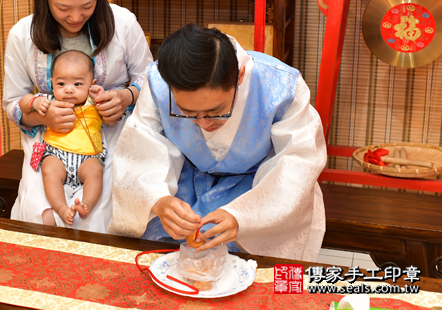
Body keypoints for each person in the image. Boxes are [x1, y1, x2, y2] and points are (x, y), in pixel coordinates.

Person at [108, 24, 327, 262]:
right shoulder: (159, 82)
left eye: (216, 111)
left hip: (257, 188)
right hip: (184, 183)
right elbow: (141, 147)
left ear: (240, 76)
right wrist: (157, 199)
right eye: (188, 112)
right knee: (158, 258)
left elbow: (298, 160)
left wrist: (245, 216)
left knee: (259, 269)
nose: (203, 123)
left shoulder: (281, 85)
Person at [3, 0, 153, 232]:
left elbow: (150, 78)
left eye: (87, 6)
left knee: (98, 220)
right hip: (50, 142)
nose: (75, 17)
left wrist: (126, 97)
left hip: (111, 138)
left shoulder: (122, 23)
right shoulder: (23, 34)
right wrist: (43, 116)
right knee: (41, 216)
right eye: (63, 8)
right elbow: (12, 103)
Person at [19, 51, 106, 225]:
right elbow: (23, 102)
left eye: (78, 83)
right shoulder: (49, 101)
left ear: (91, 84)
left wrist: (99, 94)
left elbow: (111, 110)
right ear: (52, 83)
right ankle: (61, 207)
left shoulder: (93, 101)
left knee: (95, 171)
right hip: (56, 154)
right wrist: (34, 103)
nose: (68, 89)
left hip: (87, 157)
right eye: (61, 83)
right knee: (49, 170)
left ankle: (86, 203)